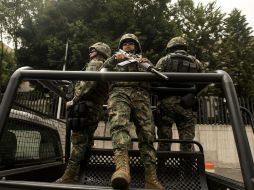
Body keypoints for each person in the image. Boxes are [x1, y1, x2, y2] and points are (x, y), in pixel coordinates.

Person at [102, 33, 164, 189]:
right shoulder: (115, 59)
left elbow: (156, 77)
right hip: (119, 92)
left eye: (131, 43)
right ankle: (122, 169)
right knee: (119, 126)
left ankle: (151, 178)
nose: (128, 45)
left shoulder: (143, 61)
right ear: (121, 47)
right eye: (125, 43)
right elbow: (102, 71)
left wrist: (147, 65)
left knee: (148, 134)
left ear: (136, 46)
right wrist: (114, 59)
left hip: (141, 95)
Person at [55, 42, 111, 183]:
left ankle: (68, 176)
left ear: (101, 52)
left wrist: (73, 100)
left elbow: (86, 84)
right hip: (95, 109)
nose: (90, 51)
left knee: (79, 143)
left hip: (85, 107)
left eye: (94, 49)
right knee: (86, 143)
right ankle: (79, 174)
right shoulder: (105, 66)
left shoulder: (96, 63)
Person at [155, 36, 205, 152]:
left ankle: (161, 168)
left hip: (166, 105)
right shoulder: (196, 63)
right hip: (187, 105)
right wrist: (193, 95)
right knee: (187, 141)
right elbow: (204, 83)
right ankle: (188, 169)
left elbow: (155, 80)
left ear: (170, 47)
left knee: (164, 139)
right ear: (185, 47)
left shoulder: (164, 60)